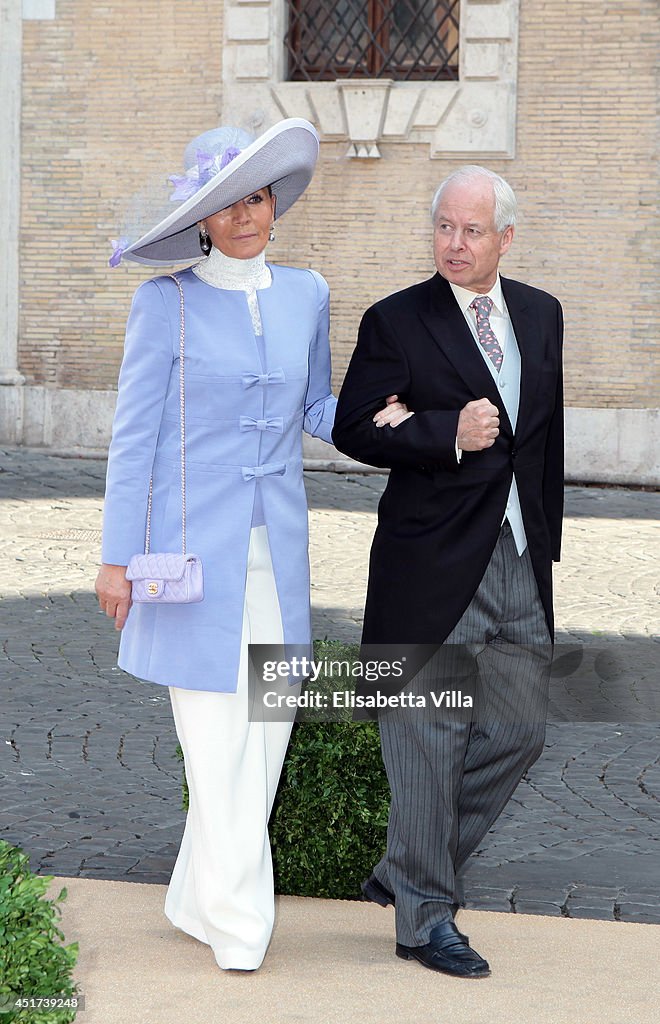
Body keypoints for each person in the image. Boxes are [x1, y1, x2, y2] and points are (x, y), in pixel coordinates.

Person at [95, 118, 405, 971]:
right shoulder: (166, 302)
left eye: (258, 197)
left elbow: (317, 409)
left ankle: (196, 895)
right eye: (227, 201)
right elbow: (134, 437)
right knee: (211, 733)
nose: (244, 215)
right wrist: (116, 555)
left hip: (280, 553)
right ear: (203, 217)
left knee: (264, 734)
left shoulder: (306, 293)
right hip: (185, 559)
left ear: (276, 207)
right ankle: (240, 924)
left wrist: (398, 421)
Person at [332, 165, 564, 978]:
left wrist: (546, 548)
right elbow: (353, 424)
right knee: (428, 738)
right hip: (429, 561)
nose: (454, 244)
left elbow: (544, 443)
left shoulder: (540, 314)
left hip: (517, 559)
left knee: (517, 732)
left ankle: (406, 873)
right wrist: (443, 430)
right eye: (443, 228)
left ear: (506, 236)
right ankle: (424, 918)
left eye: (472, 231)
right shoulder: (396, 319)